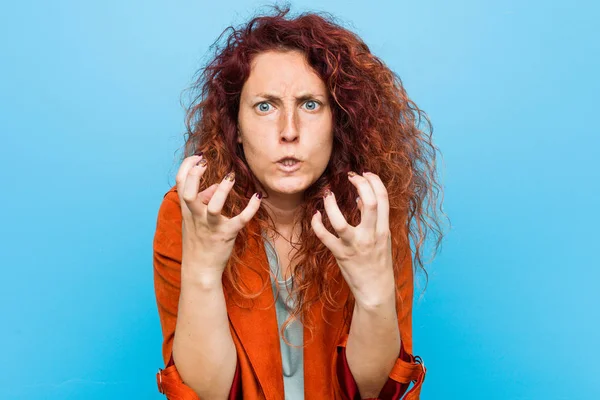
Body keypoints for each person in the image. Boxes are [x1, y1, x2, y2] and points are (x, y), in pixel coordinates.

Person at [153, 5, 445, 400]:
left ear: (337, 122)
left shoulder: (368, 212)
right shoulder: (190, 212)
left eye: (310, 104)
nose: (288, 131)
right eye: (265, 106)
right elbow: (204, 393)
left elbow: (375, 392)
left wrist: (374, 293)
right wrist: (203, 271)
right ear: (235, 127)